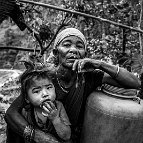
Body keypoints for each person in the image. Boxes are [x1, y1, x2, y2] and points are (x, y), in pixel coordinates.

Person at [5, 27, 141, 143]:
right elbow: (11, 113)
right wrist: (39, 137)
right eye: (67, 45)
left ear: (84, 54)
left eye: (79, 46)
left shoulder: (89, 77)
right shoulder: (45, 78)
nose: (73, 50)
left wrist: (100, 64)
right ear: (56, 53)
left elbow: (135, 83)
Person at [5, 61, 71, 143]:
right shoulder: (25, 112)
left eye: (49, 88)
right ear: (27, 98)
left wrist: (55, 119)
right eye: (37, 91)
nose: (45, 94)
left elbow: (66, 136)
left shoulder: (58, 107)